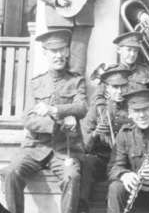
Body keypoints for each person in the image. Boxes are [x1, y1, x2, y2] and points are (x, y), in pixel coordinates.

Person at [3, 30, 88, 213]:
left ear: (67, 52)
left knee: (72, 176)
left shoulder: (76, 81)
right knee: (11, 172)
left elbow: (82, 107)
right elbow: (27, 118)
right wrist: (58, 122)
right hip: (35, 147)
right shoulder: (36, 83)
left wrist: (54, 110)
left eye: (61, 50)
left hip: (64, 149)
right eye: (53, 51)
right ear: (45, 53)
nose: (58, 55)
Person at [107, 89, 149, 213]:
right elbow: (113, 167)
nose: (142, 115)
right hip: (133, 190)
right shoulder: (124, 134)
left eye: (145, 109)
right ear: (129, 113)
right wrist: (124, 175)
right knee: (115, 187)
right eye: (136, 111)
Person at [80, 69, 131, 211]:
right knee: (87, 162)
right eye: (115, 87)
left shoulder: (133, 108)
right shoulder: (97, 109)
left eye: (123, 87)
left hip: (125, 161)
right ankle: (82, 207)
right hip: (103, 159)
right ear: (107, 88)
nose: (119, 91)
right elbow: (84, 143)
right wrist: (96, 133)